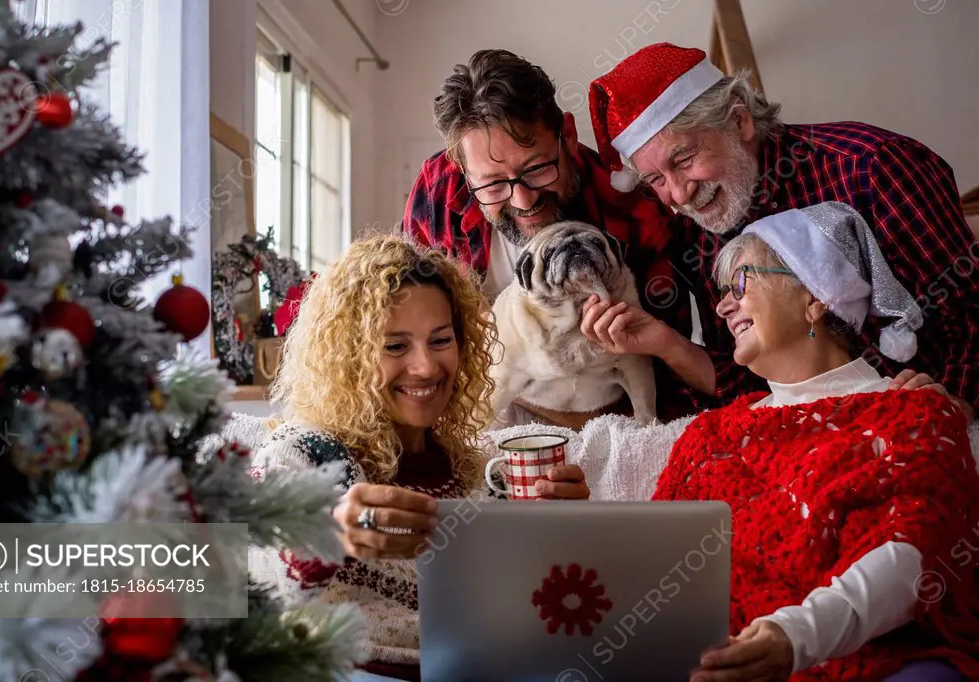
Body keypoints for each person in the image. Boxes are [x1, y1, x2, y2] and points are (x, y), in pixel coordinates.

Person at [642, 202, 979, 682]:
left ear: (815, 296)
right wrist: (569, 511)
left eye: (740, 283)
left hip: (870, 661)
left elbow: (911, 552)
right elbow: (649, 561)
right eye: (722, 291)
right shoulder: (708, 437)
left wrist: (793, 638)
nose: (722, 305)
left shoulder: (913, 413)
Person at [249, 235, 590, 681]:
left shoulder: (482, 475)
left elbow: (528, 615)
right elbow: (241, 571)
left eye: (440, 340)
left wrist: (570, 536)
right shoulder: (304, 451)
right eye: (395, 346)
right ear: (349, 357)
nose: (426, 367)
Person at [582, 42, 979, 420]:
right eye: (656, 179)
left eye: (684, 158)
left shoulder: (876, 168)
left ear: (739, 119)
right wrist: (665, 343)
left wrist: (954, 404)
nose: (680, 194)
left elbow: (971, 315)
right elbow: (750, 384)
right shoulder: (694, 228)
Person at [401, 48, 699, 423]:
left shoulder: (635, 213)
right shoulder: (439, 192)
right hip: (479, 411)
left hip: (607, 417)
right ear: (462, 172)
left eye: (538, 168)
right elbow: (403, 329)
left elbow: (667, 371)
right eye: (492, 185)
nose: (523, 200)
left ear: (569, 137)